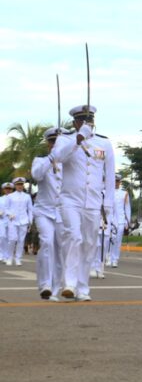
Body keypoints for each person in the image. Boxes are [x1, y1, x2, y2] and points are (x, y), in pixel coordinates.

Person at [47, 104, 115, 301]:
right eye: (81, 121)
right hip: (70, 200)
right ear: (75, 123)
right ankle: (69, 283)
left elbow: (109, 176)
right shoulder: (65, 139)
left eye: (89, 121)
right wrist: (78, 139)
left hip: (93, 201)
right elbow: (57, 157)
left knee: (89, 244)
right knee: (74, 237)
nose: (86, 124)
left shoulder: (105, 144)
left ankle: (83, 288)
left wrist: (108, 204)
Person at [30, 127, 63, 299]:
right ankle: (45, 285)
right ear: (48, 145)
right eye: (51, 142)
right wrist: (51, 159)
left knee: (59, 250)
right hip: (43, 211)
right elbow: (36, 175)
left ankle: (55, 290)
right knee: (47, 242)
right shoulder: (40, 161)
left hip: (62, 212)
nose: (54, 145)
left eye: (57, 142)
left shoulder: (70, 165)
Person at [5, 177, 33, 266]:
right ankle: (9, 257)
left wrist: (30, 221)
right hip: (13, 221)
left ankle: (18, 258)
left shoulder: (27, 196)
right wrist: (9, 214)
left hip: (24, 221)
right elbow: (5, 208)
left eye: (21, 184)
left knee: (21, 240)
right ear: (15, 186)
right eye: (18, 184)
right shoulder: (10, 196)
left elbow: (30, 209)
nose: (20, 186)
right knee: (12, 239)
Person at [108, 173, 131, 268]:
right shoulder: (107, 192)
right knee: (111, 238)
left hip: (121, 219)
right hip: (110, 219)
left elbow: (127, 208)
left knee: (118, 240)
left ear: (120, 182)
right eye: (114, 181)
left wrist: (128, 221)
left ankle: (115, 259)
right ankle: (108, 256)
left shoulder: (124, 193)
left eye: (117, 181)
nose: (115, 183)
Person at [0, 182, 13, 264]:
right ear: (3, 190)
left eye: (9, 189)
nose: (8, 190)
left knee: (10, 238)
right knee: (2, 236)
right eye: (6, 189)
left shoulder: (15, 198)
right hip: (2, 219)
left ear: (12, 190)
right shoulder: (1, 199)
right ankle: (1, 254)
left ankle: (7, 256)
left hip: (12, 220)